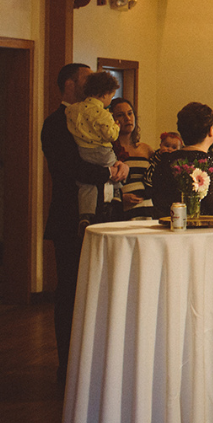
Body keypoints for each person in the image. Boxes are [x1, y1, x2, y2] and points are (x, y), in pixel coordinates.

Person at [42, 62, 127, 381]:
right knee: (71, 290)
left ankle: (100, 361)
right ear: (69, 85)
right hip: (69, 218)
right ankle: (69, 364)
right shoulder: (55, 122)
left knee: (103, 289)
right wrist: (107, 172)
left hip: (105, 212)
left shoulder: (94, 113)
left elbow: (109, 149)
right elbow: (67, 169)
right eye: (86, 80)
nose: (92, 84)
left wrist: (120, 168)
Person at [151, 103, 213, 219]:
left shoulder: (165, 162)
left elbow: (158, 200)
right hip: (202, 233)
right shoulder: (209, 165)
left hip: (168, 230)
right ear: (210, 131)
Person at [65, 70, 121, 222]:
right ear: (104, 94)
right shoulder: (103, 114)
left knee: (86, 185)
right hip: (102, 150)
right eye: (111, 96)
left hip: (84, 150)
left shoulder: (73, 109)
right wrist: (116, 126)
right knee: (114, 172)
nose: (111, 99)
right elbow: (111, 135)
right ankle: (116, 196)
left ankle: (86, 214)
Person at [110, 97, 155, 219]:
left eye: (130, 113)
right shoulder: (109, 150)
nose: (127, 118)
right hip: (121, 210)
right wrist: (120, 197)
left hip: (146, 208)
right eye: (120, 115)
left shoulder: (145, 149)